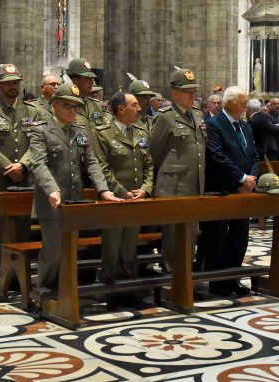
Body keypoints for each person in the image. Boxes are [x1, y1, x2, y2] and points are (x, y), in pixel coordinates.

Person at [29, 83, 122, 288]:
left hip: (74, 202)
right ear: (54, 105)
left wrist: (103, 190)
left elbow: (91, 163)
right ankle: (44, 292)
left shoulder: (79, 131)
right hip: (51, 202)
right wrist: (52, 189)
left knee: (70, 250)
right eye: (67, 106)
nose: (72, 111)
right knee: (53, 251)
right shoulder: (41, 131)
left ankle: (65, 292)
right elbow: (38, 164)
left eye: (75, 107)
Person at [0, 64, 40, 269]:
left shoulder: (32, 111)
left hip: (25, 179)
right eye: (8, 83)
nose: (13, 86)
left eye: (16, 82)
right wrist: (9, 168)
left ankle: (18, 271)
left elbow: (37, 143)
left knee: (22, 228)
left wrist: (22, 165)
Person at [91, 91, 153, 307]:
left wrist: (145, 189)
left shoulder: (140, 132)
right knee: (112, 247)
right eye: (134, 105)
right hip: (115, 201)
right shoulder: (103, 134)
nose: (139, 109)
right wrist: (121, 191)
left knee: (129, 248)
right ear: (121, 109)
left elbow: (149, 165)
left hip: (136, 199)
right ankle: (110, 291)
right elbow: (102, 167)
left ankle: (128, 289)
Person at [198, 86, 258, 298]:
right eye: (243, 102)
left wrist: (250, 178)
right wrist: (241, 178)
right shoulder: (213, 125)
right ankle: (218, 283)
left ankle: (233, 278)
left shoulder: (245, 126)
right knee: (218, 238)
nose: (246, 105)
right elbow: (217, 155)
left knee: (239, 238)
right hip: (221, 190)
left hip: (243, 192)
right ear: (231, 102)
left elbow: (254, 155)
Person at [149, 68, 206, 271]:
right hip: (173, 187)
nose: (193, 95)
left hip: (193, 184)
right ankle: (172, 276)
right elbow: (153, 153)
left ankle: (185, 275)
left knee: (190, 233)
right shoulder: (165, 118)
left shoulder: (197, 115)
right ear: (174, 93)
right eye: (188, 91)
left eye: (194, 91)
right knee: (173, 235)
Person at [66, 58, 109, 136]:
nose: (92, 81)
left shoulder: (97, 105)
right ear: (75, 81)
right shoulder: (65, 107)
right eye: (88, 78)